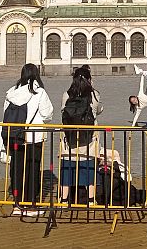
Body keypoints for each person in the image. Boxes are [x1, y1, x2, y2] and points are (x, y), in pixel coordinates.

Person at [0, 63, 53, 216]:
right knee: (32, 169)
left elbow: (4, 114)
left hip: (15, 136)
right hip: (34, 137)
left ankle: (17, 204)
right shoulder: (39, 92)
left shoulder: (11, 92)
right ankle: (31, 205)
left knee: (17, 168)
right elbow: (47, 114)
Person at [59, 66, 102, 204]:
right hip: (89, 135)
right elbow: (98, 109)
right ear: (89, 79)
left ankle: (64, 199)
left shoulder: (67, 94)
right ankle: (90, 199)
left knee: (67, 166)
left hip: (69, 136)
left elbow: (62, 111)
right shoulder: (94, 94)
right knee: (89, 166)